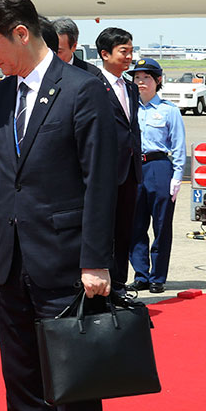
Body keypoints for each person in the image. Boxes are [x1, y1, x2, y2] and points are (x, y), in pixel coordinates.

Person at [0, 0, 116, 411]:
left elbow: (101, 181)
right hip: (10, 261)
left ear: (21, 34)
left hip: (65, 260)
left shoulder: (83, 89)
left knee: (71, 385)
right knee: (22, 379)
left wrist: (96, 260)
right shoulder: (3, 95)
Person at [128, 58, 185, 294]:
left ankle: (157, 277)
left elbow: (178, 144)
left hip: (158, 166)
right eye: (137, 77)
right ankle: (141, 274)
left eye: (146, 78)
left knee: (161, 225)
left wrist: (177, 175)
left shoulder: (168, 110)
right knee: (134, 225)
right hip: (133, 168)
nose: (140, 82)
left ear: (158, 81)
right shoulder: (128, 107)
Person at [95, 27, 142, 293]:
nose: (128, 57)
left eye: (130, 51)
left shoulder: (131, 88)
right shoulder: (92, 85)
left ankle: (120, 284)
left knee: (125, 230)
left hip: (130, 171)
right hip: (104, 171)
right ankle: (103, 286)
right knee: (104, 231)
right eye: (123, 51)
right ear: (105, 54)